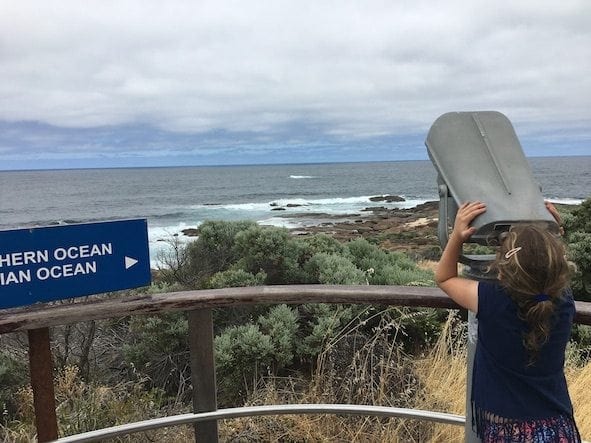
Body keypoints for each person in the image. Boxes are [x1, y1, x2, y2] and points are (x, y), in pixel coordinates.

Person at [435, 201, 581, 442]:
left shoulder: (491, 301)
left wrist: (456, 237)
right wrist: (555, 232)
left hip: (507, 432)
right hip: (557, 428)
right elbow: (552, 268)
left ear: (501, 271)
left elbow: (445, 277)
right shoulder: (563, 303)